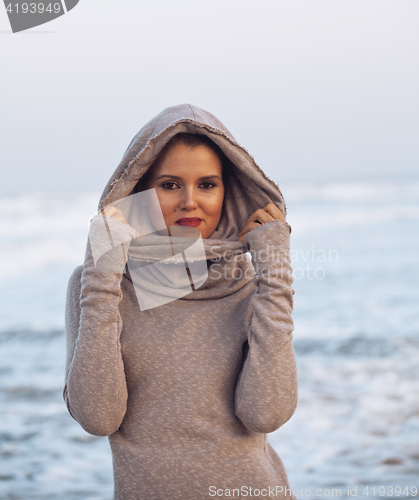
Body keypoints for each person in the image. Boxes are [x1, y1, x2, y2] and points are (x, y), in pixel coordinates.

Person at [63, 104, 298, 500]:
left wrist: (275, 275)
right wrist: (104, 272)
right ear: (141, 191)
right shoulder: (98, 283)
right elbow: (98, 417)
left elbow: (266, 413)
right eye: (170, 185)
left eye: (207, 184)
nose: (190, 201)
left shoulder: (251, 283)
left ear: (229, 190)